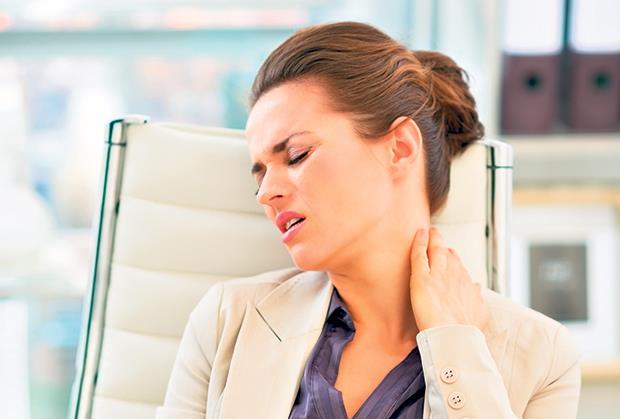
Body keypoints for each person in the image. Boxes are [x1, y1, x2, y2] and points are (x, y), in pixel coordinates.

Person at [156, 22, 581, 419]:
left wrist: (456, 346)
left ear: (400, 147)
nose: (266, 193)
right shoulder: (227, 321)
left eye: (297, 155)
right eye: (261, 174)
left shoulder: (542, 357)